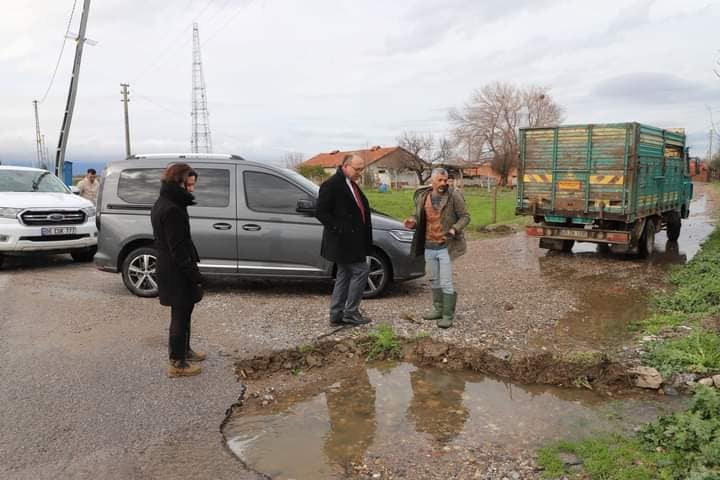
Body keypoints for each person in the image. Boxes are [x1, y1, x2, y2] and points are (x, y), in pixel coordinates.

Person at [151, 163, 206, 378]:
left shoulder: (167, 202)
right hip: (175, 271)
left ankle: (185, 351)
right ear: (178, 182)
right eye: (189, 185)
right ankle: (177, 363)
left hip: (171, 267)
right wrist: (196, 276)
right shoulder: (172, 209)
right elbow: (178, 249)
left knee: (185, 312)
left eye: (193, 185)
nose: (192, 189)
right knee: (180, 316)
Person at [404, 168, 470, 328]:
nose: (443, 183)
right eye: (440, 180)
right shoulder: (423, 196)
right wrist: (412, 220)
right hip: (429, 246)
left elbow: (465, 216)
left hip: (446, 246)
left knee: (446, 282)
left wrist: (455, 229)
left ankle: (448, 315)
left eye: (445, 180)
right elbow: (416, 215)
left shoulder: (454, 195)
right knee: (434, 280)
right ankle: (438, 309)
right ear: (432, 181)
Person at [316, 153, 373, 326]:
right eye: (358, 169)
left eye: (362, 169)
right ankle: (350, 313)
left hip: (354, 240)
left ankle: (336, 314)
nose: (360, 172)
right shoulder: (332, 185)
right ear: (346, 166)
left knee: (344, 274)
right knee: (361, 270)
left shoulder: (351, 184)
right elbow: (321, 212)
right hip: (343, 241)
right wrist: (340, 229)